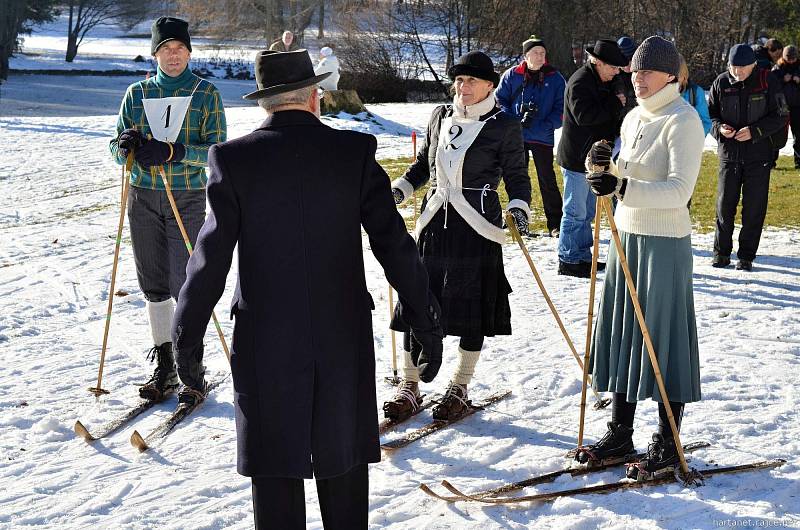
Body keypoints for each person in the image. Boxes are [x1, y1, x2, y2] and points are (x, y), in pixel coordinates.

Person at [171, 50, 443, 529]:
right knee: (343, 475)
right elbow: (395, 246)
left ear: (266, 104)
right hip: (341, 339)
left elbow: (209, 260)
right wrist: (423, 318)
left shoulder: (232, 160)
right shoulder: (352, 153)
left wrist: (185, 339)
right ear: (315, 96)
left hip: (265, 341)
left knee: (276, 479)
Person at [576, 36, 705, 478]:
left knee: (662, 340)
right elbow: (629, 172)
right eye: (634, 71)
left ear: (671, 75)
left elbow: (678, 191)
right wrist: (606, 169)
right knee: (626, 335)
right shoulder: (632, 117)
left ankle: (668, 440)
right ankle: (620, 431)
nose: (638, 79)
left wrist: (623, 186)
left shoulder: (683, 120)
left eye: (647, 72)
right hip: (626, 237)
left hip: (664, 243)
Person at [386, 51, 531, 421]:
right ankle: (410, 385)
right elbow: (423, 166)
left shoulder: (504, 125)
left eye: (469, 81)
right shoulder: (439, 117)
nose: (461, 87)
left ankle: (460, 386)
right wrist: (400, 190)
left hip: (477, 226)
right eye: (458, 81)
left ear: (489, 85)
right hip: (434, 223)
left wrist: (518, 208)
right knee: (415, 301)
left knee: (471, 308)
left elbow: (517, 176)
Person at [108, 16, 226, 401]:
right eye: (165, 49)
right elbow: (114, 149)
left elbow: (216, 153)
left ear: (189, 52)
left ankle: (191, 365)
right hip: (143, 197)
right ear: (155, 52)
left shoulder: (205, 93)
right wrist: (124, 147)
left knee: (185, 282)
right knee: (153, 283)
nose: (172, 56)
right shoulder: (136, 93)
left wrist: (174, 152)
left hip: (187, 197)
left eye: (179, 48)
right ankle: (165, 367)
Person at [707, 44, 787, 271]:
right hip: (728, 155)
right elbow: (710, 115)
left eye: (743, 67)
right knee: (724, 206)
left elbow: (781, 116)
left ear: (753, 64)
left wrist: (755, 131)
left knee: (753, 208)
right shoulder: (721, 82)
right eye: (734, 67)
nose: (738, 72)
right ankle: (721, 253)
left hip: (759, 155)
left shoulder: (768, 81)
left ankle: (746, 256)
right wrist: (719, 128)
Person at [556, 39, 627, 278]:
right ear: (598, 62)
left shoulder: (606, 80)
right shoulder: (580, 81)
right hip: (577, 157)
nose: (617, 71)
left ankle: (583, 256)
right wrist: (614, 104)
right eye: (613, 67)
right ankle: (568, 258)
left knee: (587, 212)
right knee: (575, 211)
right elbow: (584, 116)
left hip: (595, 157)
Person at [496, 35, 566, 237]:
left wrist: (546, 124)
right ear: (526, 55)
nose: (540, 56)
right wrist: (513, 120)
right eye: (535, 52)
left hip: (543, 136)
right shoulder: (512, 75)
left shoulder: (555, 78)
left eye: (543, 52)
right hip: (516, 135)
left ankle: (555, 223)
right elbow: (500, 100)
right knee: (517, 178)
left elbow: (562, 108)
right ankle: (519, 220)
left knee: (547, 180)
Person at [774, 45, 800, 167]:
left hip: (797, 106)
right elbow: (771, 87)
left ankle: (798, 162)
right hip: (781, 106)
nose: (790, 61)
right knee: (777, 134)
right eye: (788, 58)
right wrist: (783, 80)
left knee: (798, 135)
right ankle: (771, 161)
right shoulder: (777, 68)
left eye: (793, 59)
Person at [678, 54, 712, 136]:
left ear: (684, 76)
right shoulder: (657, 92)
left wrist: (694, 139)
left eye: (677, 76)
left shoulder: (695, 92)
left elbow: (706, 122)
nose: (673, 80)